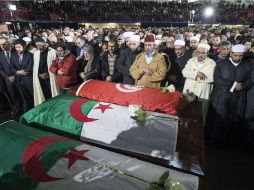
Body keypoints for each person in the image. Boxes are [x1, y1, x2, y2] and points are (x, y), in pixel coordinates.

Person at [205, 44, 252, 146]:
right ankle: (214, 140)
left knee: (233, 120)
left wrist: (243, 86)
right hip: (221, 97)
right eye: (236, 55)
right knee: (218, 119)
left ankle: (229, 142)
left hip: (238, 99)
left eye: (240, 56)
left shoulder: (247, 66)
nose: (238, 58)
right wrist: (233, 85)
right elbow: (217, 80)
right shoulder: (221, 64)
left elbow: (249, 81)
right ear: (231, 53)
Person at [33, 38, 59, 106]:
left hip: (50, 77)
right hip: (40, 78)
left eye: (40, 45)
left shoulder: (52, 52)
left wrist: (47, 74)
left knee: (52, 94)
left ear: (44, 44)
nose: (38, 47)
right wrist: (39, 74)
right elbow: (35, 67)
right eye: (37, 46)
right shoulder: (36, 54)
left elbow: (55, 65)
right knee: (44, 94)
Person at [11, 39, 34, 112]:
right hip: (19, 81)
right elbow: (11, 68)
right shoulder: (13, 55)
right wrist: (18, 72)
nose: (17, 49)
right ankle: (27, 112)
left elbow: (30, 68)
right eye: (16, 47)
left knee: (33, 97)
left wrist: (23, 72)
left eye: (19, 47)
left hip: (29, 81)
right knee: (25, 98)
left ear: (24, 46)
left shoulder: (30, 55)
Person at [0, 39, 19, 115]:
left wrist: (14, 76)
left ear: (8, 43)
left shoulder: (16, 52)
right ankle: (16, 109)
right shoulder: (0, 55)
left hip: (18, 77)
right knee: (13, 95)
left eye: (4, 43)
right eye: (0, 44)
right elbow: (0, 69)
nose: (2, 46)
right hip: (7, 79)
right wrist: (7, 77)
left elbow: (19, 65)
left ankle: (26, 108)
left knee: (22, 94)